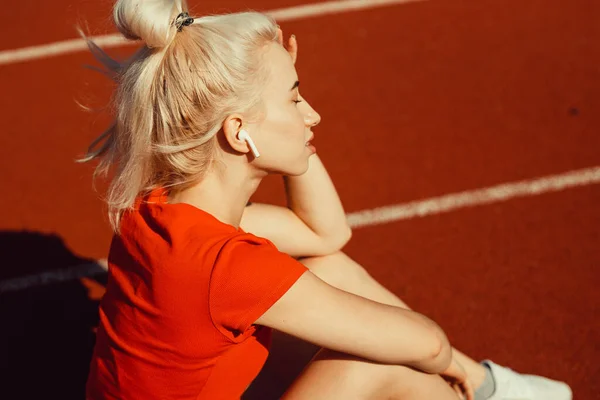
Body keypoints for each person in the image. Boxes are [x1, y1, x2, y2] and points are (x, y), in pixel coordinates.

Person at [80, 1, 570, 399]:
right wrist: (457, 367)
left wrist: (284, 112)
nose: (313, 114)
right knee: (386, 364)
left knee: (328, 268)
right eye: (295, 99)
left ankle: (488, 388)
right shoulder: (230, 269)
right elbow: (429, 342)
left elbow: (324, 234)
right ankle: (488, 391)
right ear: (239, 132)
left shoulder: (155, 211)